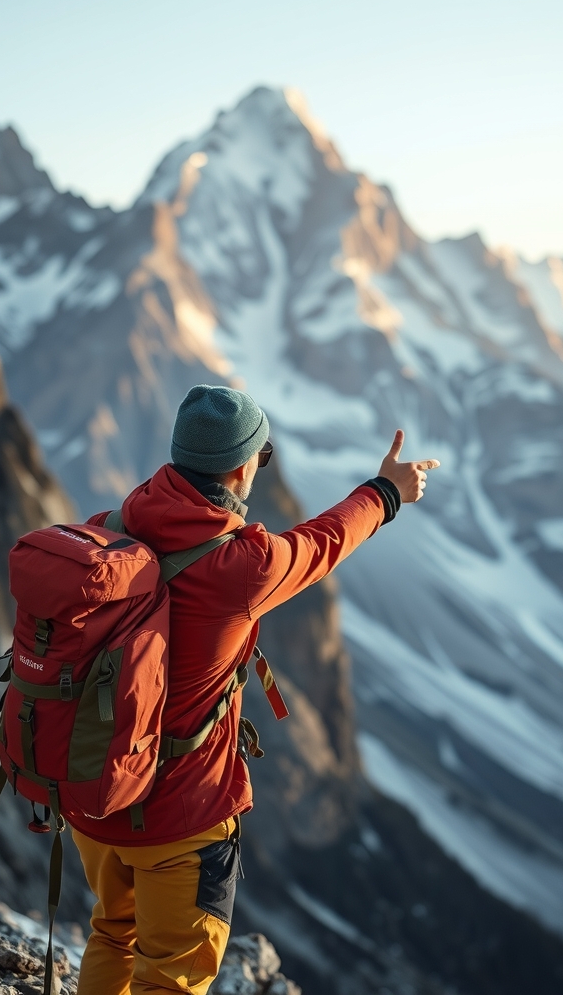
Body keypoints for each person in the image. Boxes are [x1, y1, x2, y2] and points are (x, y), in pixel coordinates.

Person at [64, 384, 440, 995]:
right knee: (172, 979)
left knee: (112, 935)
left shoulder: (109, 530)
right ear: (241, 465)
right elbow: (325, 542)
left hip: (97, 799)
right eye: (262, 458)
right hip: (182, 820)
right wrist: (388, 491)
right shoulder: (243, 567)